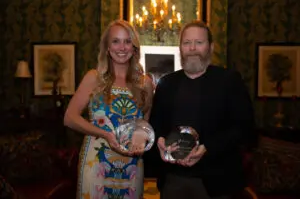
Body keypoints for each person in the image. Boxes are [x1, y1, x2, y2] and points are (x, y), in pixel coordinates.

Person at [149, 20, 255, 199]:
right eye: (187, 43)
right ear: (180, 48)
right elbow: (156, 124)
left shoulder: (229, 81)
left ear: (211, 47)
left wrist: (207, 148)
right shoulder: (166, 83)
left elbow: (244, 129)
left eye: (199, 43)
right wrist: (159, 140)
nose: (192, 48)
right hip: (173, 179)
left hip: (219, 181)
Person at [64, 20, 153, 199]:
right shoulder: (93, 78)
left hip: (131, 166)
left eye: (128, 41)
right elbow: (70, 118)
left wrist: (141, 137)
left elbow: (144, 122)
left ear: (134, 47)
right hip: (97, 164)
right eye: (116, 41)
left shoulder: (145, 83)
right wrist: (105, 134)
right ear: (107, 47)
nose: (122, 47)